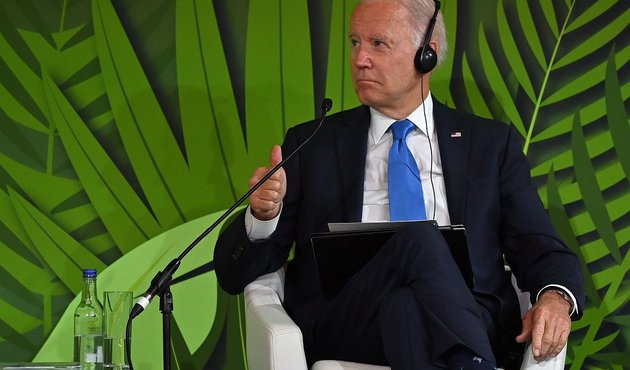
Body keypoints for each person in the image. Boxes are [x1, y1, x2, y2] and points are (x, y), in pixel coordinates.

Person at [214, 0, 584, 369]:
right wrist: (262, 217)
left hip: (462, 320)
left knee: (405, 306)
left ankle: (470, 359)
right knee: (419, 238)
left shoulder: (489, 146)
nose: (360, 59)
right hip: (349, 322)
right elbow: (235, 277)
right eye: (355, 42)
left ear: (427, 54)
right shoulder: (315, 145)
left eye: (378, 43)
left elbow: (541, 247)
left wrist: (555, 297)